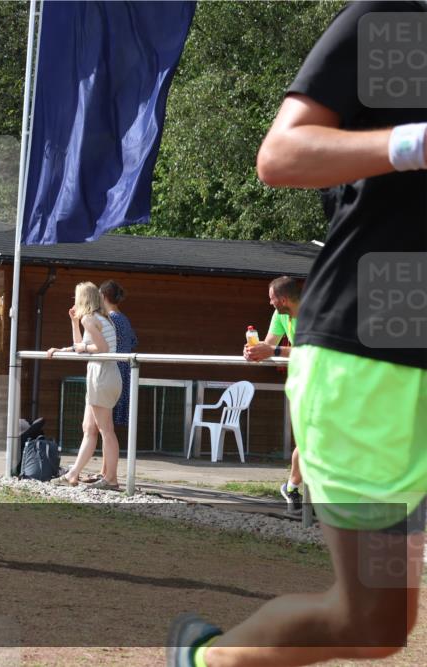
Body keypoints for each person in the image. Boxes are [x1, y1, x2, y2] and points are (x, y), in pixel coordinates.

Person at [168, 3, 426, 666]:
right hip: (370, 365)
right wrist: (414, 143)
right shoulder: (398, 22)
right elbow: (281, 155)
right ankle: (208, 659)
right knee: (373, 624)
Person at [46, 282, 122, 491]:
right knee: (89, 428)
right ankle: (73, 474)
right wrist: (73, 323)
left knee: (106, 430)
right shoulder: (96, 318)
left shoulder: (91, 318)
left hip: (102, 375)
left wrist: (79, 347)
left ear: (83, 299)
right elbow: (83, 345)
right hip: (103, 375)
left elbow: (100, 348)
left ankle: (111, 479)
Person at [243, 276, 304, 516]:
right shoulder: (280, 315)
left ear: (283, 299)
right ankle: (294, 487)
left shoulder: (313, 312)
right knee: (308, 441)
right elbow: (269, 344)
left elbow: (313, 349)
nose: (269, 303)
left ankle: (293, 487)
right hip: (303, 382)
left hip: (329, 379)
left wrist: (273, 350)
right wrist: (254, 351)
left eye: (271, 299)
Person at [100, 280, 138, 429]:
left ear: (103, 296)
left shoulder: (111, 319)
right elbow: (134, 341)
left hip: (113, 370)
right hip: (125, 370)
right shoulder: (124, 319)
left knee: (105, 420)